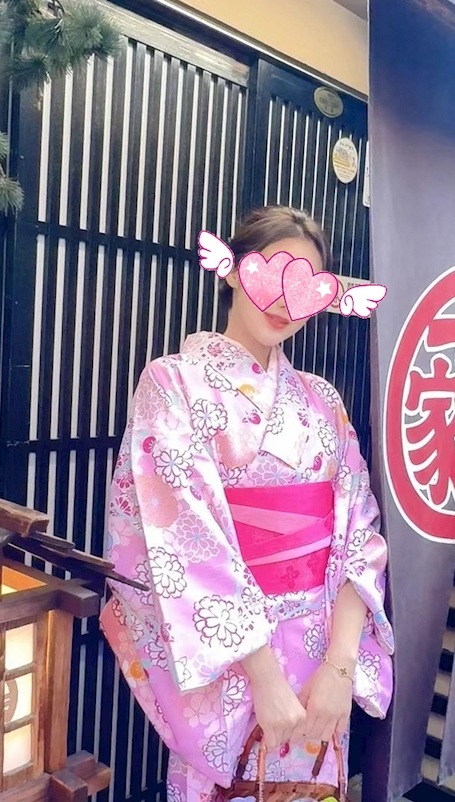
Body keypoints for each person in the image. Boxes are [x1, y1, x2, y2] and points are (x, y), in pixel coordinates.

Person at [99, 205, 394, 802]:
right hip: (233, 669)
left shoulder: (323, 400)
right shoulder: (173, 383)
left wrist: (340, 669)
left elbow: (359, 533)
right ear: (233, 270)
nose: (285, 300)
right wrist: (263, 678)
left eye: (306, 286)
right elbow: (178, 537)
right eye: (273, 272)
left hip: (319, 659)